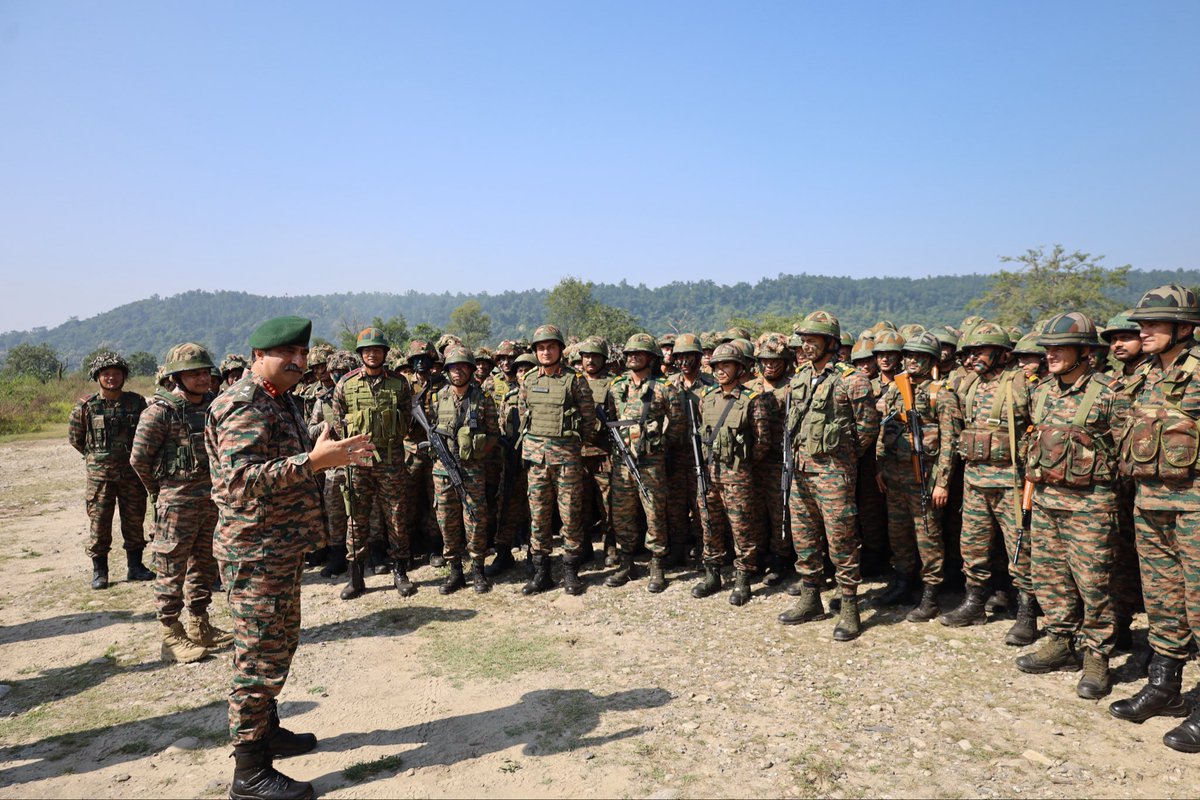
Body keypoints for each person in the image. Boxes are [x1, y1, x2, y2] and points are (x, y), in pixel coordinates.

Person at [206, 315, 374, 799]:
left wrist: (316, 452)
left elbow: (281, 463)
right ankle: (249, 773)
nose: (299, 361)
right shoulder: (243, 405)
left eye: (303, 353)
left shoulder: (280, 400)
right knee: (258, 658)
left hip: (279, 546)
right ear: (259, 355)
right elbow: (240, 481)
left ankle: (268, 732)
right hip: (255, 551)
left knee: (279, 646)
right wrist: (315, 461)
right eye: (288, 354)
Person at [1109, 285, 1200, 752]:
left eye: (1153, 324)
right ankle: (1165, 687)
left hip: (1195, 504)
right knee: (1163, 599)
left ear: (1184, 327)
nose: (1143, 332)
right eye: (1141, 324)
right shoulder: (1144, 374)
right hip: (1150, 501)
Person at [1015, 312, 1122, 699]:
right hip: (1047, 501)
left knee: (1094, 584)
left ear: (1084, 352)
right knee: (1049, 577)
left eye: (1060, 348)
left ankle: (1097, 656)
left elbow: (1126, 451)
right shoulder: (1042, 391)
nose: (1051, 355)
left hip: (1090, 505)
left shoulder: (1109, 393)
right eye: (1048, 348)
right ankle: (1060, 641)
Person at [777, 312, 879, 640]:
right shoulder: (801, 377)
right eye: (804, 340)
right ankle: (811, 598)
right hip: (801, 471)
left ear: (831, 343)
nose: (806, 346)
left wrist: (843, 459)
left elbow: (868, 427)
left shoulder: (853, 380)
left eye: (813, 340)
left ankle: (849, 606)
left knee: (841, 539)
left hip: (833, 472)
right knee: (804, 538)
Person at [130, 343, 230, 664]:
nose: (202, 378)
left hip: (211, 500)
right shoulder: (159, 412)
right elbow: (139, 460)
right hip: (176, 504)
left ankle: (200, 625)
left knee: (205, 563)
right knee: (171, 568)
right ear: (176, 377)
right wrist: (161, 492)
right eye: (193, 373)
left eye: (205, 372)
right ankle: (170, 635)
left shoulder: (215, 406)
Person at [939, 323, 1037, 645]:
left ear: (1002, 353)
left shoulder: (1022, 384)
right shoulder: (967, 384)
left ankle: (1027, 613)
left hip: (1011, 482)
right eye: (969, 353)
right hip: (974, 479)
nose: (972, 359)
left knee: (1020, 548)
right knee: (973, 546)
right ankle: (974, 603)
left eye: (980, 352)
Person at [875, 332, 962, 622]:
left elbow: (950, 443)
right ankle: (903, 582)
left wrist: (942, 483)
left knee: (927, 536)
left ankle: (931, 594)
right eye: (909, 355)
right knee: (898, 534)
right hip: (895, 475)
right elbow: (884, 429)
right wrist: (880, 466)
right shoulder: (895, 389)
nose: (912, 361)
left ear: (932, 361)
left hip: (924, 478)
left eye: (920, 357)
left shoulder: (942, 394)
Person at [333, 327, 415, 600]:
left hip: (391, 459)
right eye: (367, 350)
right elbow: (338, 422)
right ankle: (355, 577)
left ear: (384, 353)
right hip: (358, 461)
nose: (372, 354)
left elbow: (407, 418)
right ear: (360, 354)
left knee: (396, 516)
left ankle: (400, 572)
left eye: (377, 350)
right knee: (356, 518)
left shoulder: (400, 383)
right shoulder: (346, 384)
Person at [518, 324, 598, 595]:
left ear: (560, 349)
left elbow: (588, 420)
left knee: (570, 516)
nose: (545, 352)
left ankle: (571, 571)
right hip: (537, 460)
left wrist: (573, 447)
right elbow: (524, 414)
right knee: (538, 517)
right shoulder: (528, 379)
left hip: (566, 461)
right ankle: (542, 573)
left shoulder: (575, 380)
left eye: (550, 347)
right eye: (541, 348)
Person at [692, 343, 771, 606]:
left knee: (742, 527)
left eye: (726, 365)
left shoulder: (752, 400)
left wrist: (742, 465)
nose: (720, 370)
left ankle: (743, 578)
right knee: (709, 523)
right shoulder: (707, 398)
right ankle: (712, 573)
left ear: (739, 369)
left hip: (738, 475)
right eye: (716, 366)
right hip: (709, 473)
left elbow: (762, 442)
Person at [602, 334, 682, 593]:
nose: (633, 356)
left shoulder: (664, 387)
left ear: (651, 358)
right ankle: (627, 563)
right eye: (629, 353)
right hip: (622, 461)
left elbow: (677, 423)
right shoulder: (617, 386)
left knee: (654, 512)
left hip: (650, 462)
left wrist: (659, 445)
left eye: (639, 353)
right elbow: (611, 418)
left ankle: (657, 564)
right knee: (622, 513)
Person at [68, 350, 153, 589]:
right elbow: (76, 438)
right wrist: (95, 458)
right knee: (100, 522)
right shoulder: (86, 406)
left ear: (124, 376)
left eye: (117, 373)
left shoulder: (137, 403)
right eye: (106, 373)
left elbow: (147, 433)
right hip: (100, 477)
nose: (111, 378)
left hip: (131, 474)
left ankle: (135, 567)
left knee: (134, 520)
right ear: (97, 377)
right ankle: (100, 571)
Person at [428, 347, 500, 594]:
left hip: (471, 470)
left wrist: (476, 454)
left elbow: (493, 434)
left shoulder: (483, 399)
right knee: (446, 520)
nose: (457, 371)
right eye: (452, 367)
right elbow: (432, 429)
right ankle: (455, 571)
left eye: (462, 367)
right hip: (443, 470)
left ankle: (478, 569)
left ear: (470, 369)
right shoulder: (438, 398)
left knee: (475, 520)